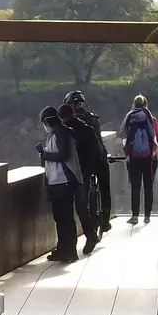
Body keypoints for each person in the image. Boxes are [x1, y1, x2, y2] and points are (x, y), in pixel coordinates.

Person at [35, 105, 98, 261]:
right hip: (57, 181)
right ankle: (62, 248)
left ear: (48, 121)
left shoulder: (62, 133)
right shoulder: (55, 134)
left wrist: (45, 155)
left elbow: (63, 154)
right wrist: (44, 155)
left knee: (65, 218)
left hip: (64, 181)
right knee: (60, 218)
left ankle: (69, 251)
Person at [63, 90, 112, 233]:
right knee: (104, 188)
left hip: (83, 161)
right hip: (99, 157)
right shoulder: (92, 118)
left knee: (82, 190)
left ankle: (90, 223)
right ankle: (105, 221)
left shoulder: (70, 123)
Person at [120, 94, 158, 224]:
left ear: (134, 104)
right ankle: (147, 216)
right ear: (145, 104)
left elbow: (124, 136)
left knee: (135, 187)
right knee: (148, 186)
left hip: (134, 158)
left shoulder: (129, 117)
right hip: (148, 157)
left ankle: (135, 216)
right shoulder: (150, 118)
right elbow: (157, 136)